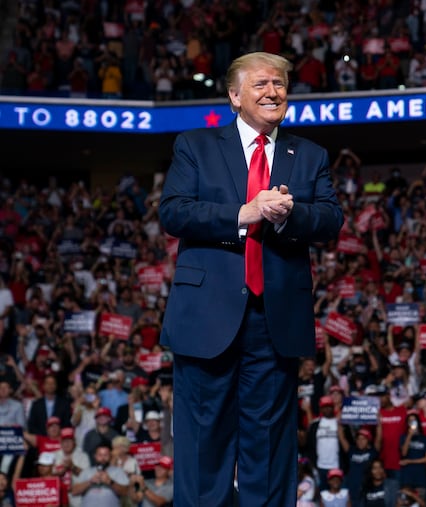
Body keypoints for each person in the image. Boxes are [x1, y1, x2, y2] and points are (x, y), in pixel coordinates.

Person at [158, 51, 343, 507]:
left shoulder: (311, 155)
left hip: (274, 320)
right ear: (234, 96)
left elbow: (331, 220)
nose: (272, 92)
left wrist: (288, 215)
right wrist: (245, 213)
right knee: (204, 445)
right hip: (207, 319)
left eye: (279, 84)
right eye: (260, 84)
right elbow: (174, 211)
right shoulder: (195, 145)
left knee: (271, 447)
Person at [70, 442, 130, 507]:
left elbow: (126, 492)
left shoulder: (118, 471)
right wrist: (90, 482)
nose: (103, 458)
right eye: (100, 455)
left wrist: (110, 482)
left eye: (105, 455)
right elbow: (74, 492)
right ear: (95, 456)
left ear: (110, 456)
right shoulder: (86, 472)